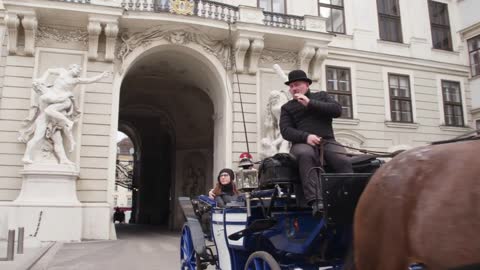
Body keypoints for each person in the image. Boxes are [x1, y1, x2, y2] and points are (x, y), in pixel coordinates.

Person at [279, 69, 353, 216]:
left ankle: (347, 196)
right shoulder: (287, 107)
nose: (293, 88)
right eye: (291, 86)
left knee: (342, 160)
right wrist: (306, 137)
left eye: (297, 84)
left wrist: (310, 103)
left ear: (306, 84)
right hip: (301, 143)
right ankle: (316, 201)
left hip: (327, 141)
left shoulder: (322, 96)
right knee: (306, 155)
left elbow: (337, 110)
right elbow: (286, 130)